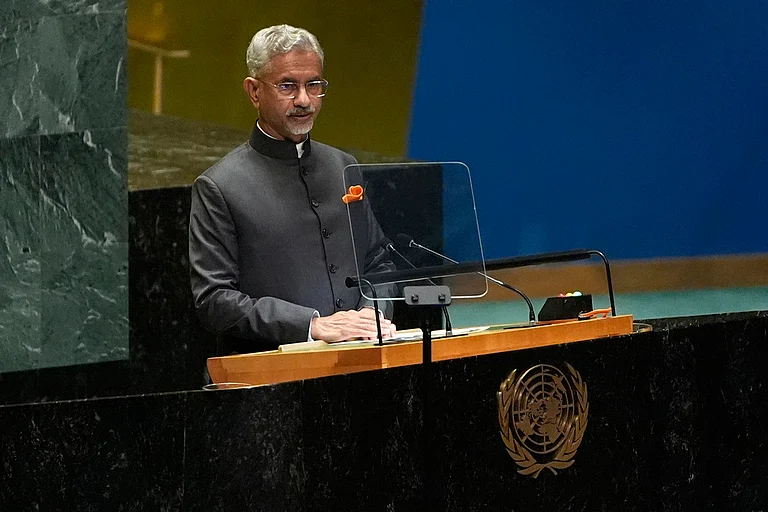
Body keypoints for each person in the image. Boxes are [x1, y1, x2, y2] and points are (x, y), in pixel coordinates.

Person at [189, 24, 396, 354]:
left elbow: (379, 263)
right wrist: (311, 325)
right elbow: (215, 300)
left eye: (313, 85)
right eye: (288, 86)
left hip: (365, 357)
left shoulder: (344, 166)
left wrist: (373, 313)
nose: (304, 100)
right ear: (254, 91)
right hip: (274, 379)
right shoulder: (219, 186)